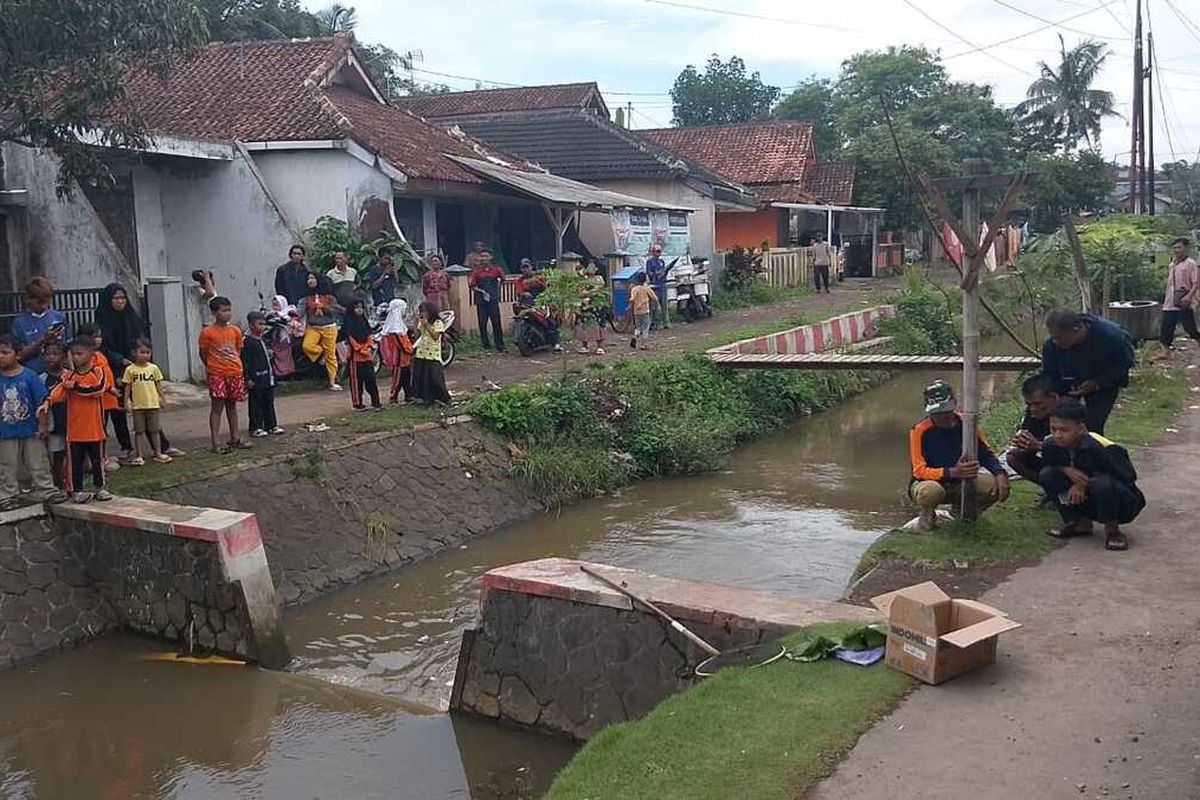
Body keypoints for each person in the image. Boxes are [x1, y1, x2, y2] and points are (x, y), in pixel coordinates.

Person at [1038, 399, 1144, 551]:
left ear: (1081, 429)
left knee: (1104, 483)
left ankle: (1113, 531)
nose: (1058, 435)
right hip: (1087, 499)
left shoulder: (1103, 447)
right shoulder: (1050, 445)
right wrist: (1066, 469)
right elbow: (1049, 464)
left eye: (1064, 430)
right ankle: (1078, 522)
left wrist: (1085, 483)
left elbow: (1127, 477)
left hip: (1121, 500)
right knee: (1047, 475)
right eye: (1053, 429)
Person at [909, 380, 1010, 532]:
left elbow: (986, 454)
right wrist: (951, 472)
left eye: (946, 411)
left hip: (962, 481)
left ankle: (964, 517)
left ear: (955, 404)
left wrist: (1000, 473)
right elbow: (918, 471)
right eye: (937, 413)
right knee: (929, 492)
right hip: (930, 482)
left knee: (993, 486)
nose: (942, 417)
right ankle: (927, 518)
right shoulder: (919, 430)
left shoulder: (967, 423)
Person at [94, 283, 181, 458]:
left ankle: (161, 446)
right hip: (114, 370)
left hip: (137, 366)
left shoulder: (132, 318)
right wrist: (120, 360)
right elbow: (103, 348)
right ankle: (126, 447)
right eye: (116, 298)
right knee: (119, 410)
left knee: (147, 405)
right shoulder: (102, 321)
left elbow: (141, 340)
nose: (120, 302)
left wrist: (138, 358)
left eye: (122, 298)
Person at [1041, 307, 1135, 436]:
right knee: (1059, 420)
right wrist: (1053, 394)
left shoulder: (1112, 336)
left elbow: (1123, 365)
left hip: (1103, 383)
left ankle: (1093, 452)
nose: (1056, 342)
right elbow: (1049, 373)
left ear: (1076, 329)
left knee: (1093, 425)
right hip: (1068, 382)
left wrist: (1097, 383)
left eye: (1060, 338)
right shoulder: (1051, 346)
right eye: (1053, 337)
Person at [40, 335, 112, 502]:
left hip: (95, 429)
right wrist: (48, 402)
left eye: (79, 354)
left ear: (91, 355)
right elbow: (59, 391)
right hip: (74, 431)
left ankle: (99, 488)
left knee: (96, 461)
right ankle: (76, 490)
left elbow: (97, 390)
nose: (75, 357)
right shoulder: (69, 376)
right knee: (75, 463)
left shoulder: (97, 372)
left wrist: (76, 387)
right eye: (73, 354)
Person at [0, 335, 63, 509]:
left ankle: (47, 490)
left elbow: (41, 403)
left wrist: (43, 425)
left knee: (38, 462)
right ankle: (7, 495)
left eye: (5, 352)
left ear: (18, 355)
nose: (1, 356)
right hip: (5, 431)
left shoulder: (29, 376)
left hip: (31, 429)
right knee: (6, 465)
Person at [198, 296, 248, 454]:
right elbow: (203, 353)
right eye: (223, 311)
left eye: (229, 310)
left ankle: (235, 437)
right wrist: (212, 367)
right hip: (217, 373)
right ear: (214, 312)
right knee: (217, 407)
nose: (227, 314)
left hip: (234, 372)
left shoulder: (235, 330)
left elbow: (238, 350)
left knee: (232, 405)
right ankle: (215, 442)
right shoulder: (207, 332)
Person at [77, 322, 129, 468]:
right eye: (94, 336)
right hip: (97, 399)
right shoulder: (86, 357)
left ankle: (102, 455)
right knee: (97, 431)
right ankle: (97, 459)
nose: (98, 340)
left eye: (99, 336)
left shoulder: (99, 354)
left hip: (107, 399)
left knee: (103, 430)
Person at [1005, 373, 1061, 490]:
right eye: (1029, 404)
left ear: (1053, 397)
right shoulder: (1032, 413)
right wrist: (1023, 442)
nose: (1033, 409)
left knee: (1049, 471)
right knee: (1012, 457)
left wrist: (1039, 446)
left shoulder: (1070, 412)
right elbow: (1029, 441)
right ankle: (1052, 490)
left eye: (1037, 404)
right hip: (1050, 460)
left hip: (1074, 466)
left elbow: (1074, 450)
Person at [121, 339, 170, 465]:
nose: (145, 355)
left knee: (155, 430)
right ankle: (139, 455)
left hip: (153, 404)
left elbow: (158, 385)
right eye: (142, 352)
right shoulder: (130, 370)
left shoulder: (153, 368)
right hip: (138, 406)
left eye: (148, 352)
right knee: (139, 431)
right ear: (134, 353)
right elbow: (127, 387)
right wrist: (126, 402)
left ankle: (158, 452)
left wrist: (163, 399)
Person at [10, 277, 71, 375]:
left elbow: (68, 347)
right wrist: (42, 341)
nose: (43, 306)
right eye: (40, 302)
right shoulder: (19, 323)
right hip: (34, 375)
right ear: (28, 299)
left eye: (47, 302)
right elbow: (18, 356)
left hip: (59, 375)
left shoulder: (58, 317)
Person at [242, 311, 282, 438]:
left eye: (264, 324)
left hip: (267, 376)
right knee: (255, 404)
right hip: (256, 378)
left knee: (268, 401)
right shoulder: (247, 342)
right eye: (259, 324)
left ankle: (271, 425)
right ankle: (256, 427)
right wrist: (247, 378)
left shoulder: (262, 339)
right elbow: (245, 361)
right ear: (251, 325)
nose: (263, 327)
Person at [1158, 236, 1200, 356]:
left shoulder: (1190, 264)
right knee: (1166, 326)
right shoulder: (1172, 264)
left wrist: (1189, 296)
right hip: (1170, 301)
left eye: (1179, 247)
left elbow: (1196, 282)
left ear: (1186, 248)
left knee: (1190, 327)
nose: (1176, 250)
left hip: (1183, 300)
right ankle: (1165, 352)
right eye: (1174, 248)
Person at [301, 273, 342, 391]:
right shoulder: (305, 298)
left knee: (331, 356)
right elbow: (300, 312)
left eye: (313, 278)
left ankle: (332, 381)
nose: (310, 281)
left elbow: (335, 312)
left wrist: (324, 307)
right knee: (307, 346)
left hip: (329, 327)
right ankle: (321, 353)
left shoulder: (329, 297)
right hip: (313, 327)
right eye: (308, 278)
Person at [340, 299, 382, 411]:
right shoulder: (349, 323)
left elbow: (369, 335)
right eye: (357, 307)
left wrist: (368, 347)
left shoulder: (364, 321)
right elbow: (350, 339)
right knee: (356, 382)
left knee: (371, 379)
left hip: (367, 356)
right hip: (355, 358)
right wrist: (361, 349)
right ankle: (358, 403)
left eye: (361, 307)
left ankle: (376, 402)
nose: (359, 310)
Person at [38, 342, 69, 490]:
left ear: (63, 357)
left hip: (71, 422)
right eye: (48, 354)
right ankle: (58, 483)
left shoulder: (69, 376)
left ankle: (72, 481)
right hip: (53, 424)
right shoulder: (42, 379)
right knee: (57, 455)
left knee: (72, 454)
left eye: (55, 354)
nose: (51, 358)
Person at [412, 301, 451, 405]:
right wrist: (417, 323)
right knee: (423, 376)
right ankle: (426, 398)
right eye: (421, 311)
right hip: (422, 351)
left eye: (424, 311)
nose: (423, 313)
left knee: (435, 376)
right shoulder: (422, 321)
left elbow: (435, 336)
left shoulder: (437, 323)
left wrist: (427, 325)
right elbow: (418, 333)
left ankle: (443, 397)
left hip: (433, 353)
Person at [468, 247, 505, 351]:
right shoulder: (476, 272)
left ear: (491, 257)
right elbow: (472, 285)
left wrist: (497, 291)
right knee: (482, 323)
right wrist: (479, 291)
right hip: (481, 301)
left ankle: (500, 345)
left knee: (496, 322)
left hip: (493, 300)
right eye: (482, 256)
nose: (484, 258)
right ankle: (486, 346)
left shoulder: (497, 270)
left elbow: (503, 280)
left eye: (486, 256)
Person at [379, 298, 414, 404]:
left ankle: (408, 395)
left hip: (405, 358)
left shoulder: (399, 326)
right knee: (398, 379)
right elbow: (401, 345)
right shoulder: (395, 329)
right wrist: (410, 350)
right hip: (399, 359)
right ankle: (393, 396)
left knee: (406, 378)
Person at [574, 261, 607, 355]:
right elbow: (580, 292)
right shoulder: (583, 280)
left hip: (597, 306)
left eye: (593, 267)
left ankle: (600, 346)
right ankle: (584, 345)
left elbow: (599, 288)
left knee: (599, 324)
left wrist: (588, 292)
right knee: (584, 324)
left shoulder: (599, 278)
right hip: (585, 306)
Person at [628, 271, 659, 351]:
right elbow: (654, 298)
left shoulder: (634, 289)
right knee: (645, 327)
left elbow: (632, 299)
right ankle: (643, 344)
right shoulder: (646, 288)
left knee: (638, 326)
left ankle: (635, 336)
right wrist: (656, 305)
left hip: (636, 311)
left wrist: (629, 307)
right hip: (645, 310)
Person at [644, 244, 670, 330]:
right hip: (654, 286)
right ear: (653, 252)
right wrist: (657, 273)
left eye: (660, 251)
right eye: (657, 251)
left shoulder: (662, 261)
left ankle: (666, 322)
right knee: (654, 306)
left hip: (662, 285)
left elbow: (665, 273)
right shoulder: (649, 262)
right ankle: (654, 323)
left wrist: (664, 273)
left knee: (664, 305)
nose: (659, 253)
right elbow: (649, 273)